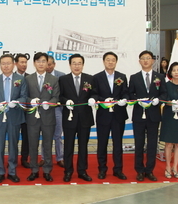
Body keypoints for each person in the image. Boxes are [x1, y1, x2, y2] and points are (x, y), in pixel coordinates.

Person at [128, 50, 168, 181]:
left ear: (153, 61)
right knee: (139, 143)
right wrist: (138, 100)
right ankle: (139, 170)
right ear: (139, 61)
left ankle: (150, 170)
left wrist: (158, 100)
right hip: (139, 115)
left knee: (152, 144)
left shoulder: (159, 77)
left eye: (148, 58)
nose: (145, 60)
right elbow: (130, 94)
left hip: (153, 115)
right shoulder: (134, 77)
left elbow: (164, 93)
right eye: (143, 58)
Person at [0, 54, 28, 183]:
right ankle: (0, 172)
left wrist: (16, 102)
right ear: (0, 65)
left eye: (8, 63)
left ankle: (12, 171)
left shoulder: (20, 79)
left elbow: (24, 96)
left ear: (13, 64)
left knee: (13, 146)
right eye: (3, 63)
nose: (6, 66)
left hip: (14, 117)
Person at [59, 54, 96, 182]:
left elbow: (95, 93)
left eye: (79, 63)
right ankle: (68, 171)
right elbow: (59, 96)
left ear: (83, 65)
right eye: (74, 63)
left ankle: (82, 171)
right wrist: (66, 101)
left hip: (85, 118)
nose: (76, 66)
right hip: (69, 118)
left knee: (83, 146)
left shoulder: (89, 79)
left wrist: (93, 99)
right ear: (70, 65)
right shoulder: (63, 79)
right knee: (68, 146)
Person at [93, 51, 129, 180]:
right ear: (104, 61)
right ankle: (102, 169)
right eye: (108, 60)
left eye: (113, 60)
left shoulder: (122, 76)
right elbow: (94, 94)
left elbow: (126, 92)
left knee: (118, 144)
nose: (110, 62)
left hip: (118, 115)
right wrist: (103, 100)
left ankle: (118, 169)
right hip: (103, 115)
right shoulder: (97, 77)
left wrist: (124, 99)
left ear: (116, 62)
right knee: (102, 143)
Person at [25, 52, 60, 182]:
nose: (41, 64)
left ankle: (47, 170)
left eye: (43, 61)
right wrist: (30, 101)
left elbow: (56, 97)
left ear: (47, 63)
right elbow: (24, 96)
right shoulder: (28, 79)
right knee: (32, 145)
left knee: (47, 145)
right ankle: (34, 170)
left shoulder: (54, 79)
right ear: (34, 63)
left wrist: (49, 104)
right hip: (32, 118)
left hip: (48, 117)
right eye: (38, 61)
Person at [160, 62, 178, 179]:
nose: (176, 72)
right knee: (168, 143)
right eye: (174, 70)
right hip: (169, 116)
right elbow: (163, 99)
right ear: (170, 72)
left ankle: (175, 167)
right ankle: (168, 166)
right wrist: (170, 102)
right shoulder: (166, 85)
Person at [46, 55, 65, 168]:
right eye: (46, 64)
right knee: (46, 135)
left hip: (57, 109)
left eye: (50, 64)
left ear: (54, 64)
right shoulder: (41, 76)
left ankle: (60, 157)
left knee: (58, 134)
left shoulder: (61, 76)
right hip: (44, 110)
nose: (48, 66)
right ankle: (44, 158)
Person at [14, 53, 31, 169]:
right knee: (14, 137)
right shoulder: (11, 77)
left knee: (27, 137)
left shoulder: (30, 78)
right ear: (16, 63)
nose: (24, 64)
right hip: (15, 112)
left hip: (27, 112)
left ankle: (24, 158)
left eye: (25, 62)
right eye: (21, 62)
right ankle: (13, 158)